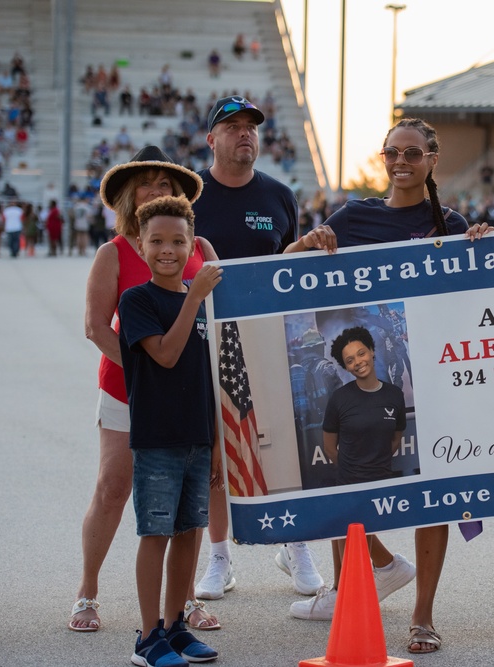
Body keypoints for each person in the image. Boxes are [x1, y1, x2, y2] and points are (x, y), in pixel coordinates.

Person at [285, 117, 490, 653]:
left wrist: (480, 251)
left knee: (432, 497)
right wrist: (308, 241)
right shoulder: (354, 216)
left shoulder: (451, 222)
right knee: (343, 486)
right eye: (392, 152)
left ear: (432, 159)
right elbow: (277, 279)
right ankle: (350, 585)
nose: (401, 162)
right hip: (361, 386)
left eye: (413, 153)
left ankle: (422, 615)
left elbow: (475, 302)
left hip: (434, 379)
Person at [72, 146, 217, 633]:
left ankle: (186, 601)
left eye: (165, 183)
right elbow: (96, 327)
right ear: (128, 194)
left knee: (188, 501)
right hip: (127, 388)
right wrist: (145, 376)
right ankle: (87, 591)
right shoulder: (112, 253)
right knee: (114, 487)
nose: (156, 190)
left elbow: (224, 316)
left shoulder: (200, 249)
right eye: (146, 182)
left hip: (189, 394)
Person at [190, 95, 321, 602]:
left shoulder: (280, 196)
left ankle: (296, 545)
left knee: (282, 445)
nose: (245, 134)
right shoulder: (192, 195)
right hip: (204, 341)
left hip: (267, 338)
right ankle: (219, 557)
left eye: (251, 127)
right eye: (232, 126)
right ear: (211, 139)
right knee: (215, 453)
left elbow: (285, 264)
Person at [118, 195, 222, 667]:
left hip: (198, 436)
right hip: (158, 438)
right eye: (157, 241)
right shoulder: (137, 299)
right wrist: (195, 297)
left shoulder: (202, 301)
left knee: (189, 532)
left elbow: (213, 375)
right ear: (140, 245)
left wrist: (219, 442)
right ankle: (148, 636)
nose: (168, 250)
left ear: (191, 246)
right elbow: (165, 353)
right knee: (155, 534)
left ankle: (176, 625)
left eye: (178, 241)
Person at [288, 327, 415, 620]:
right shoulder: (340, 398)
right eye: (349, 360)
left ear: (372, 351)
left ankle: (346, 596)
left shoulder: (394, 395)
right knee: (342, 529)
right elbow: (330, 446)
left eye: (361, 353)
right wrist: (353, 468)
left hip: (379, 478)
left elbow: (396, 437)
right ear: (344, 366)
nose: (358, 361)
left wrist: (375, 463)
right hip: (348, 479)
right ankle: (342, 593)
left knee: (354, 534)